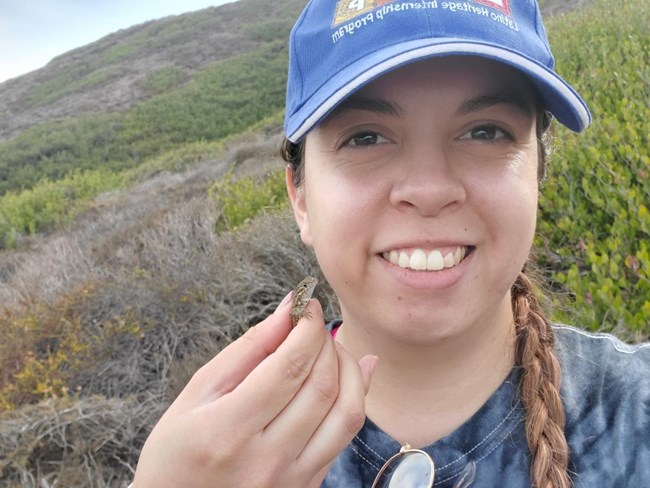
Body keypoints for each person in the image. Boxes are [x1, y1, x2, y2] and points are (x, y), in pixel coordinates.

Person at [131, 0, 650, 486]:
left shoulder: (637, 413)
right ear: (301, 198)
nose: (429, 189)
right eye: (366, 137)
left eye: (485, 131)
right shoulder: (212, 456)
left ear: (538, 173)